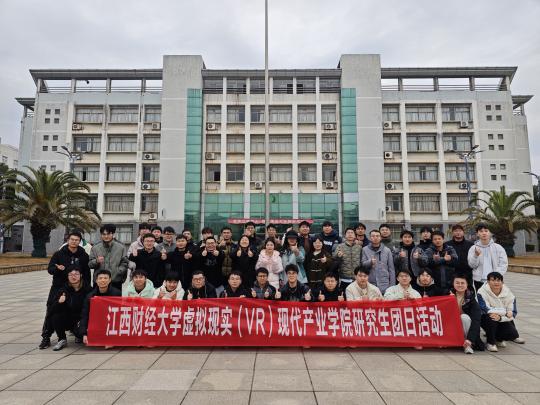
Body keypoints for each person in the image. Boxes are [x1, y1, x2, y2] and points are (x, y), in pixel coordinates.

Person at [40, 230, 91, 349]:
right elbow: (50, 269)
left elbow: (86, 273)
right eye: (72, 239)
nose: (74, 242)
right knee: (52, 309)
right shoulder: (59, 254)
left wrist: (86, 286)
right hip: (59, 287)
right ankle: (46, 337)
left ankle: (78, 332)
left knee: (80, 308)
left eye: (77, 240)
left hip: (76, 287)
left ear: (80, 242)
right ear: (68, 240)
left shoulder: (83, 255)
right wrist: (57, 269)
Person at [44, 266, 92, 351]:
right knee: (55, 315)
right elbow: (51, 309)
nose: (73, 277)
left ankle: (78, 334)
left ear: (81, 275)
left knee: (80, 334)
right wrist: (59, 302)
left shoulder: (87, 289)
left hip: (82, 319)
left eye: (76, 274)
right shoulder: (63, 289)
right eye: (71, 275)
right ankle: (62, 339)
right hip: (68, 318)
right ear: (67, 276)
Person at [477, 272, 524, 351]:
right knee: (491, 318)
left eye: (498, 280)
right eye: (493, 280)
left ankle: (498, 339)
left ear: (502, 282)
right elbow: (485, 309)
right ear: (488, 281)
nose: (496, 282)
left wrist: (500, 318)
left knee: (513, 334)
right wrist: (505, 313)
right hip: (486, 317)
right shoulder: (481, 292)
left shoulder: (509, 293)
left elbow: (513, 313)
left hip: (502, 317)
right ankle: (490, 343)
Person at [80, 269, 122, 345]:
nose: (103, 280)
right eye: (100, 278)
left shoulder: (117, 294)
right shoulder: (90, 296)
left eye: (105, 278)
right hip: (97, 322)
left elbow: (120, 313)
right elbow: (85, 315)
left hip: (111, 322)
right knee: (78, 331)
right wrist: (84, 334)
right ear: (96, 280)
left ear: (110, 280)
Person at [467, 223, 508, 292]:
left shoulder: (498, 247)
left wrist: (496, 276)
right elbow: (472, 265)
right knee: (481, 298)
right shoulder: (473, 248)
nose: (484, 233)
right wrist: (475, 256)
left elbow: (503, 264)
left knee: (495, 298)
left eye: (486, 231)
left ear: (490, 233)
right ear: (477, 234)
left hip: (495, 280)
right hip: (479, 281)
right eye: (481, 231)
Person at [88, 224, 129, 290]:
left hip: (115, 281)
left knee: (115, 297)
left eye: (108, 234)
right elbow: (90, 264)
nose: (106, 236)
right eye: (104, 234)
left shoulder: (121, 247)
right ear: (101, 235)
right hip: (99, 282)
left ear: (113, 234)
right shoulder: (95, 248)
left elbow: (125, 263)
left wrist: (118, 271)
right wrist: (96, 261)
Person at [450, 275, 483, 354]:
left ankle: (468, 344)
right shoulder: (447, 295)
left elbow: (476, 321)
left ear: (467, 284)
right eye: (457, 283)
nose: (460, 285)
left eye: (462, 283)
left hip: (466, 328)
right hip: (452, 326)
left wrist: (470, 339)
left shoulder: (471, 300)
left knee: (464, 317)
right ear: (453, 284)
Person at [361, 230, 395, 294]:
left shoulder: (387, 250)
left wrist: (392, 286)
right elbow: (362, 265)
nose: (375, 238)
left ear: (380, 237)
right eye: (373, 236)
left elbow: (391, 269)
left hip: (385, 284)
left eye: (377, 236)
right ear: (370, 238)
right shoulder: (365, 249)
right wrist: (370, 262)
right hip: (370, 284)